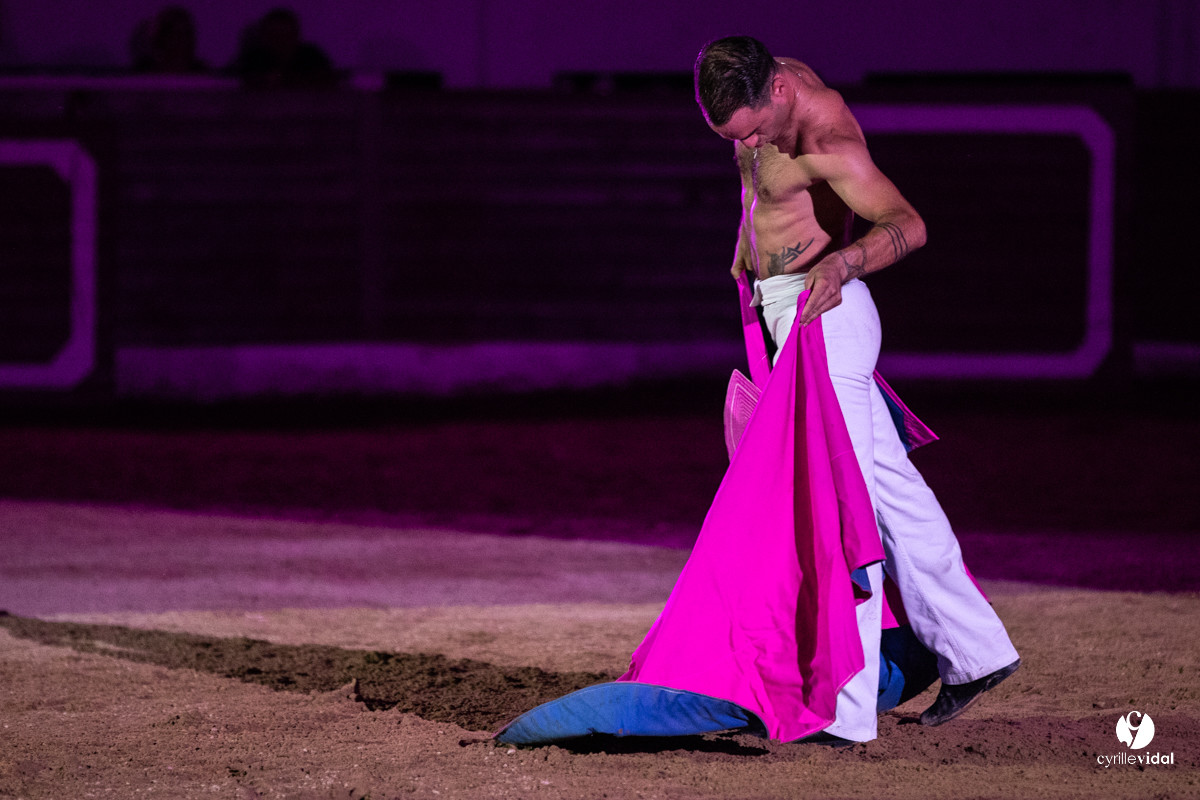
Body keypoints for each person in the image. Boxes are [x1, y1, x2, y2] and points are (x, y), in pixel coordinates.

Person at [694, 36, 1020, 744]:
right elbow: (764, 181)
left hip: (826, 319)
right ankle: (976, 651)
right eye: (733, 138)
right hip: (787, 310)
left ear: (780, 93)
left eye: (754, 131)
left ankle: (845, 708)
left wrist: (842, 265)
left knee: (837, 504)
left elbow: (909, 224)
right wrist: (749, 239)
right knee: (889, 491)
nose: (749, 144)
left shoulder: (825, 135)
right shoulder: (762, 88)